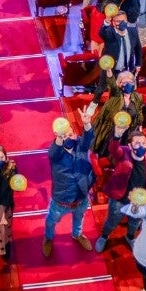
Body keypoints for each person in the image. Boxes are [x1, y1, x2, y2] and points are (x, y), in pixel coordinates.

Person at [43, 106, 96, 257]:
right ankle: (48, 238)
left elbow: (89, 139)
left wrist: (86, 124)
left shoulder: (80, 145)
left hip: (81, 196)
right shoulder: (56, 153)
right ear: (58, 137)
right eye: (63, 136)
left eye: (70, 134)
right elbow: (53, 152)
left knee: (79, 218)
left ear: (75, 134)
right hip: (61, 201)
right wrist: (60, 137)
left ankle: (77, 234)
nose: (68, 138)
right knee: (52, 221)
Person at [96, 129, 146, 253]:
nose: (141, 146)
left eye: (144, 143)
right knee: (112, 221)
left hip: (140, 201)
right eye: (137, 143)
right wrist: (117, 135)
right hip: (120, 198)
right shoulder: (124, 152)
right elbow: (113, 149)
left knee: (135, 222)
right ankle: (104, 236)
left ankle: (129, 237)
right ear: (130, 145)